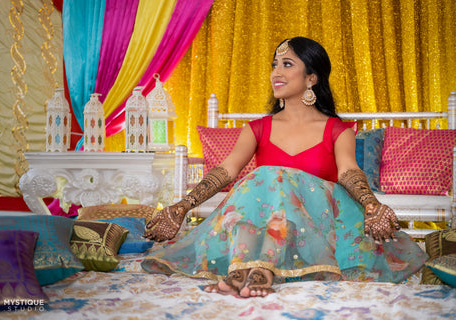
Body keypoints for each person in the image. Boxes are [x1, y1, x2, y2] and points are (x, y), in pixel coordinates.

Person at [142, 37, 427, 298]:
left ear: (311, 78)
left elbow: (348, 172)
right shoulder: (258, 129)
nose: (276, 72)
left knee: (272, 174)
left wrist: (372, 205)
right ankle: (248, 270)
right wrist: (181, 206)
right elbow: (226, 171)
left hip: (321, 226)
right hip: (266, 224)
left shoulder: (337, 130)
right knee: (264, 179)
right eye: (274, 65)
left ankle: (257, 270)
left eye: (287, 64)